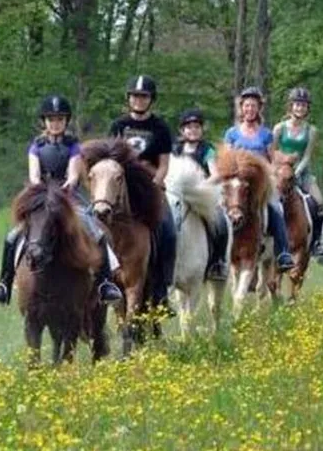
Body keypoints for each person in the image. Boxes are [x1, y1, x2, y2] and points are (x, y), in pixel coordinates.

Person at [0, 95, 124, 305]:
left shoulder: (73, 145)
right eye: (51, 119)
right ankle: (4, 284)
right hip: (41, 197)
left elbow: (74, 175)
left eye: (59, 119)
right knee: (12, 237)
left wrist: (63, 189)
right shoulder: (36, 146)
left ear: (66, 121)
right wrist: (42, 191)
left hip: (68, 198)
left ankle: (105, 283)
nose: (55, 123)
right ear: (45, 122)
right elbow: (34, 175)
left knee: (97, 232)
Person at [108, 75, 177, 310]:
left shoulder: (160, 128)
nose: (138, 100)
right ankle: (100, 283)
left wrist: (155, 184)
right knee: (94, 226)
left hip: (150, 188)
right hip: (120, 189)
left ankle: (162, 287)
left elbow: (164, 164)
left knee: (168, 230)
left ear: (151, 100)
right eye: (135, 96)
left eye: (143, 96)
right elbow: (110, 161)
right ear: (129, 98)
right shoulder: (118, 126)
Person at [222, 86, 295, 273]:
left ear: (258, 108)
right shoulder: (232, 133)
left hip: (259, 183)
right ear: (241, 108)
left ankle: (283, 253)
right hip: (237, 181)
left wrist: (273, 173)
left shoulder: (266, 134)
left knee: (276, 208)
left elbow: (271, 159)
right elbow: (227, 159)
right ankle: (217, 254)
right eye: (246, 106)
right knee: (217, 209)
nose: (249, 109)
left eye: (253, 106)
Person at [173, 108, 229, 281]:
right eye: (189, 127)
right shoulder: (176, 149)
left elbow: (216, 175)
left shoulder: (207, 150)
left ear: (202, 129)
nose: (193, 130)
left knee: (220, 222)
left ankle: (217, 262)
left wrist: (200, 187)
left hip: (202, 195)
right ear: (182, 130)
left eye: (197, 127)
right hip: (179, 195)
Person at [271, 87, 323, 256]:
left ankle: (317, 241)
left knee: (319, 202)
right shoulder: (279, 128)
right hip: (280, 171)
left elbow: (307, 156)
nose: (300, 108)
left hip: (302, 172)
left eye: (303, 105)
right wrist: (280, 169)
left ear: (307, 108)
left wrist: (296, 172)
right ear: (291, 106)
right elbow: (272, 151)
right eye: (297, 105)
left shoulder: (311, 131)